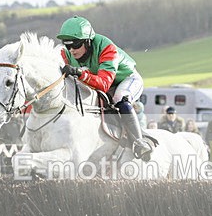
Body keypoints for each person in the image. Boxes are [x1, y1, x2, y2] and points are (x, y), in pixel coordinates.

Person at [57, 16, 153, 161]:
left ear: (87, 42)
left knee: (119, 98)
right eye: (67, 45)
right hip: (99, 81)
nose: (71, 50)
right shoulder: (65, 53)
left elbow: (104, 84)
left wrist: (79, 73)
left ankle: (140, 143)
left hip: (125, 79)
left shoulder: (107, 48)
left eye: (76, 45)